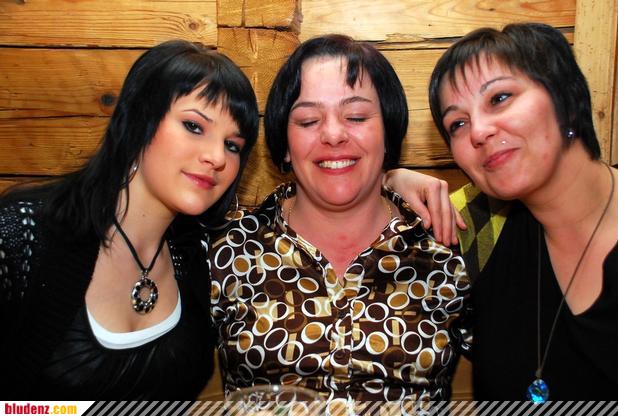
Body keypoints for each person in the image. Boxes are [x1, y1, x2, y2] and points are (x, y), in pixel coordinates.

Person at [208, 34, 470, 407]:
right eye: (309, 120)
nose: (333, 134)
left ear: (388, 133)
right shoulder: (229, 249)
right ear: (285, 145)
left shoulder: (443, 243)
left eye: (356, 117)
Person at [0, 40, 259, 399]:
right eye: (194, 126)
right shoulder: (23, 234)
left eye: (233, 145)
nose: (217, 157)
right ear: (140, 120)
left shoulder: (197, 255)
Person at [386, 23, 618, 400]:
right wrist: (388, 180)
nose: (478, 131)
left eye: (500, 98)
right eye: (458, 123)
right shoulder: (480, 225)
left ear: (566, 98)